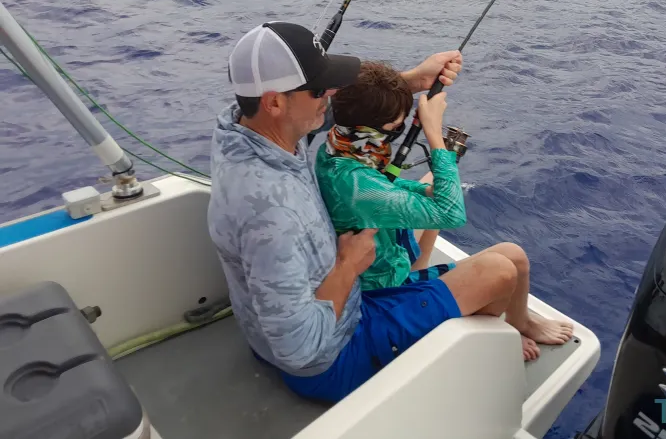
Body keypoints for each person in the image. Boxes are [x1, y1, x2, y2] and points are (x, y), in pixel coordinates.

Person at [207, 21, 574, 404]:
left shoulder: (247, 132)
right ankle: (468, 353)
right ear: (274, 102)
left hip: (341, 301)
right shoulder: (271, 213)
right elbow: (299, 350)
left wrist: (410, 82)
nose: (330, 97)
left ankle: (494, 324)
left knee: (510, 257)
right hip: (333, 355)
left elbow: (340, 115)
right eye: (319, 90)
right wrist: (348, 266)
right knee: (500, 271)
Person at [315, 60, 466, 292]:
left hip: (384, 253)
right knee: (507, 260)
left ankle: (419, 267)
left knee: (431, 186)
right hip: (380, 287)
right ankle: (415, 289)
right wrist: (434, 133)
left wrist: (423, 191)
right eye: (395, 127)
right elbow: (451, 214)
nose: (396, 133)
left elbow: (377, 182)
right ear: (369, 130)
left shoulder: (338, 146)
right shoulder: (354, 184)